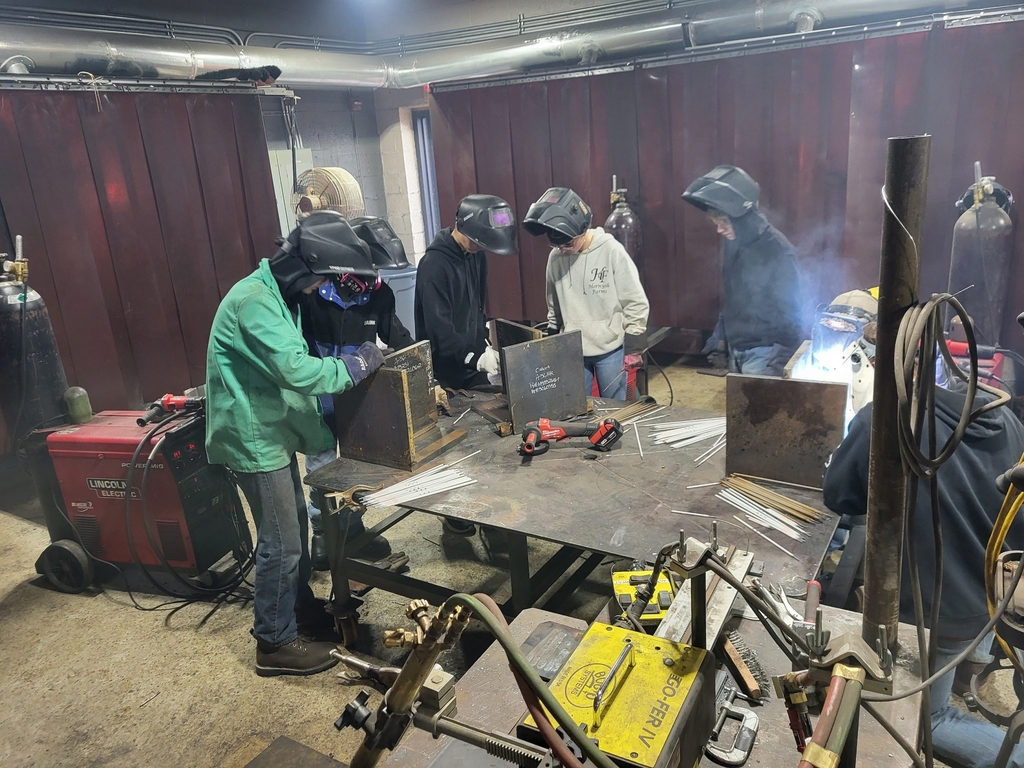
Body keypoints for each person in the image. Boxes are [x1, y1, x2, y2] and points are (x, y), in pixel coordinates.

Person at [205, 211, 385, 677]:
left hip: (271, 431)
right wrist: (355, 365)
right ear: (303, 268)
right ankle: (274, 643)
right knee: (281, 543)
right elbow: (298, 371)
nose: (316, 290)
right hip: (253, 440)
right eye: (318, 281)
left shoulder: (277, 296)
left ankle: (300, 614)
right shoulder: (255, 302)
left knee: (294, 538)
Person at [823, 385, 1024, 767]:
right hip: (994, 599)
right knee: (963, 636)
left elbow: (839, 496)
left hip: (939, 616)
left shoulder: (887, 419)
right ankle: (969, 666)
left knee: (925, 719)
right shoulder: (1008, 421)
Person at [300, 216, 414, 571]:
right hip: (318, 396)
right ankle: (322, 532)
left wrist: (427, 372)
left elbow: (398, 338)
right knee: (322, 463)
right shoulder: (314, 294)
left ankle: (353, 528)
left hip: (357, 399)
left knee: (355, 466)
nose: (375, 277)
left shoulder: (379, 296)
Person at [523, 187, 649, 400]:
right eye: (556, 244)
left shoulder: (611, 251)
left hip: (609, 348)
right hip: (573, 348)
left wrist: (635, 347)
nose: (562, 249)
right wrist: (554, 339)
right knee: (576, 408)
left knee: (614, 410)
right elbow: (553, 304)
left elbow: (635, 300)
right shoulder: (556, 257)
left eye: (567, 243)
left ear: (582, 231)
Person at [682, 165, 802, 376]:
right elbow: (733, 298)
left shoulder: (778, 250)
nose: (719, 229)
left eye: (723, 222)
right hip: (737, 349)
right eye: (716, 223)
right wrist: (720, 338)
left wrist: (778, 362)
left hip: (764, 354)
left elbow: (792, 314)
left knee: (757, 408)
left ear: (742, 218)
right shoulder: (735, 243)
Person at [414, 194, 518, 393]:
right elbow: (440, 333)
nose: (481, 248)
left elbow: (477, 308)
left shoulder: (476, 255)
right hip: (443, 375)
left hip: (470, 369)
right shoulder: (434, 266)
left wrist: (483, 345)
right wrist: (475, 357)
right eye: (479, 242)